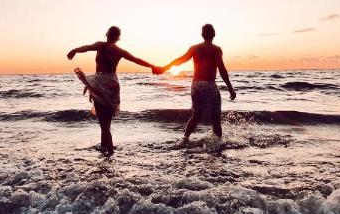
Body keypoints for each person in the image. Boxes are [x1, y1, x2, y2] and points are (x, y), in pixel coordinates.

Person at [67, 26, 158, 155]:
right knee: (106, 124)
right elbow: (136, 60)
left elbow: (86, 47)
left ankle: (110, 154)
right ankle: (105, 150)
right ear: (118, 37)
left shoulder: (101, 45)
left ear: (107, 34)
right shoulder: (120, 51)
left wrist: (74, 50)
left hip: (100, 85)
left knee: (104, 125)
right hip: (113, 84)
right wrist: (152, 66)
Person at [157, 24, 236, 142]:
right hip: (209, 85)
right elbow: (222, 69)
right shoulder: (216, 49)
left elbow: (180, 60)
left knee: (196, 115)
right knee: (216, 116)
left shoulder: (194, 48)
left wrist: (164, 68)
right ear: (214, 34)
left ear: (202, 35)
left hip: (196, 85)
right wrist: (230, 88)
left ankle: (185, 138)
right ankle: (218, 143)